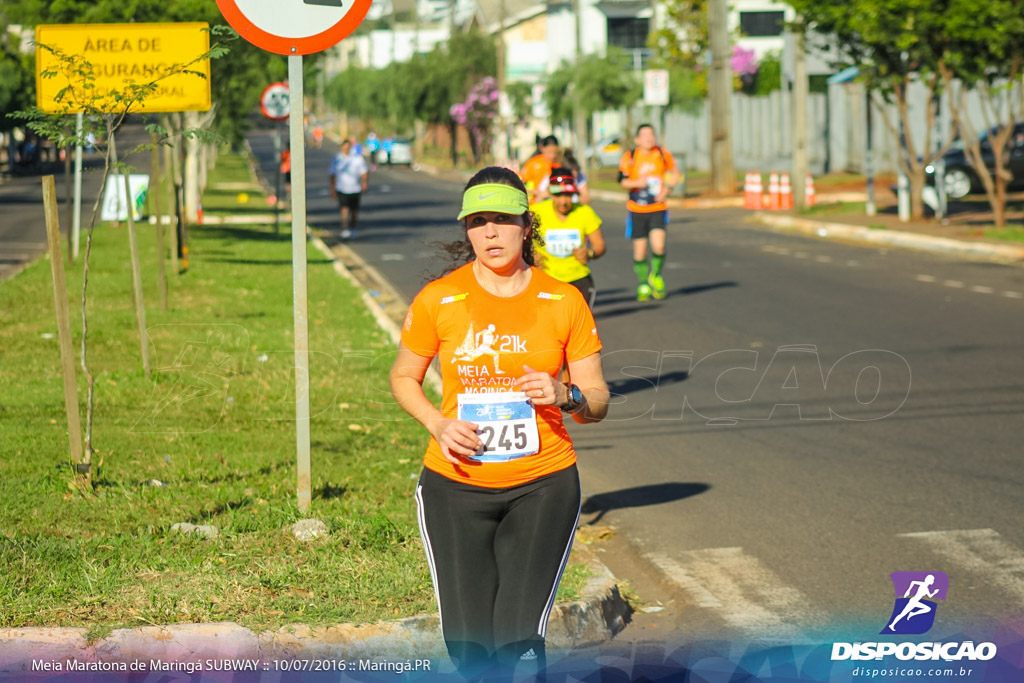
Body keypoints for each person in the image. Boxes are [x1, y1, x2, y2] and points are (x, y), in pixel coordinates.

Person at [389, 166, 610, 679]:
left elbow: (598, 401)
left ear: (526, 225)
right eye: (478, 221)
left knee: (518, 640)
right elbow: (404, 377)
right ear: (466, 229)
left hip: (544, 485)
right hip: (455, 487)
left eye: (503, 219)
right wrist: (436, 424)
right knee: (469, 646)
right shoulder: (439, 299)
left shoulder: (563, 300)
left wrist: (565, 393)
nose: (490, 232)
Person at [618, 123, 679, 301]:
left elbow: (675, 173)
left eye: (651, 134)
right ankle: (643, 283)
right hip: (637, 209)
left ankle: (656, 275)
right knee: (640, 251)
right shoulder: (630, 156)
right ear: (637, 139)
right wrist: (638, 183)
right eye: (645, 135)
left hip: (657, 208)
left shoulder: (662, 153)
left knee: (659, 245)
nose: (649, 138)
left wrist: (666, 190)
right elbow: (622, 181)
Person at [532, 167, 605, 307]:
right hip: (545, 280)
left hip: (578, 280)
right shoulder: (536, 212)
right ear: (550, 193)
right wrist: (531, 254)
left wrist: (589, 253)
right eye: (558, 195)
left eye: (568, 195)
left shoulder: (585, 212)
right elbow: (518, 239)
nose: (563, 201)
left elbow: (600, 245)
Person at [329, 139, 369, 238]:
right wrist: (332, 189)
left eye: (348, 148)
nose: (346, 150)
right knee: (344, 209)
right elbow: (332, 174)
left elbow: (364, 172)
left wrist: (364, 183)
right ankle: (345, 228)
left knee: (354, 211)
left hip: (355, 188)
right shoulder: (337, 158)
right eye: (344, 147)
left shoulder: (357, 158)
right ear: (342, 148)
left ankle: (353, 228)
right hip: (342, 188)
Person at [519, 135, 560, 204]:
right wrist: (534, 192)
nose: (553, 156)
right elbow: (519, 184)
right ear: (542, 148)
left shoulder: (559, 164)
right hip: (535, 204)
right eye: (549, 152)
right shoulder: (533, 164)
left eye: (555, 152)